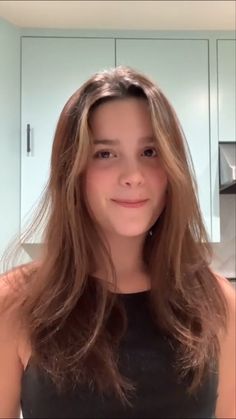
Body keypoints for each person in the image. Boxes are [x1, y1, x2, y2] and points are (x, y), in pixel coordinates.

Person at [0, 66, 235, 419]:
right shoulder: (16, 303)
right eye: (105, 154)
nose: (133, 176)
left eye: (150, 152)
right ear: (72, 172)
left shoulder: (218, 302)